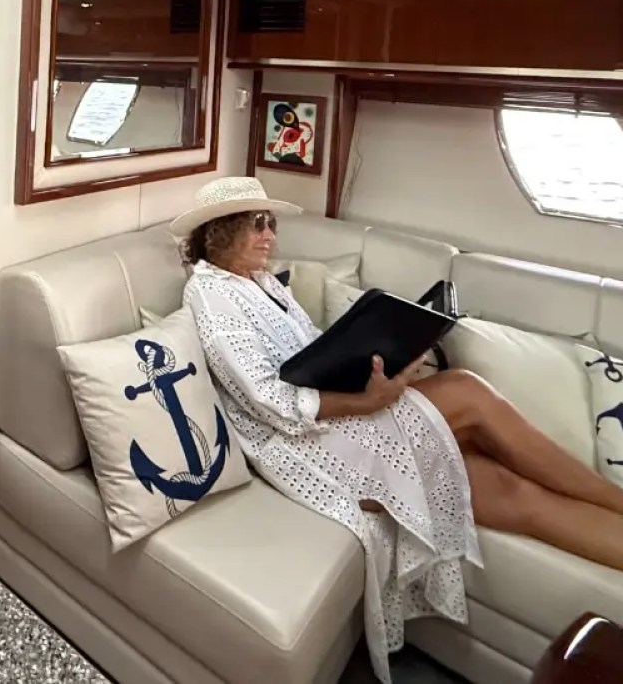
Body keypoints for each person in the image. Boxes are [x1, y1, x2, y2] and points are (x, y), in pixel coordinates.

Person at [171, 176, 623, 683]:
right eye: (257, 224)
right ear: (219, 232)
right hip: (301, 445)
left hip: (335, 416)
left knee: (506, 489)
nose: (270, 235)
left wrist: (381, 367)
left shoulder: (265, 282)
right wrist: (367, 401)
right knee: (468, 392)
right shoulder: (209, 295)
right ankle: (614, 496)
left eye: (271, 223)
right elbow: (269, 399)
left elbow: (312, 354)